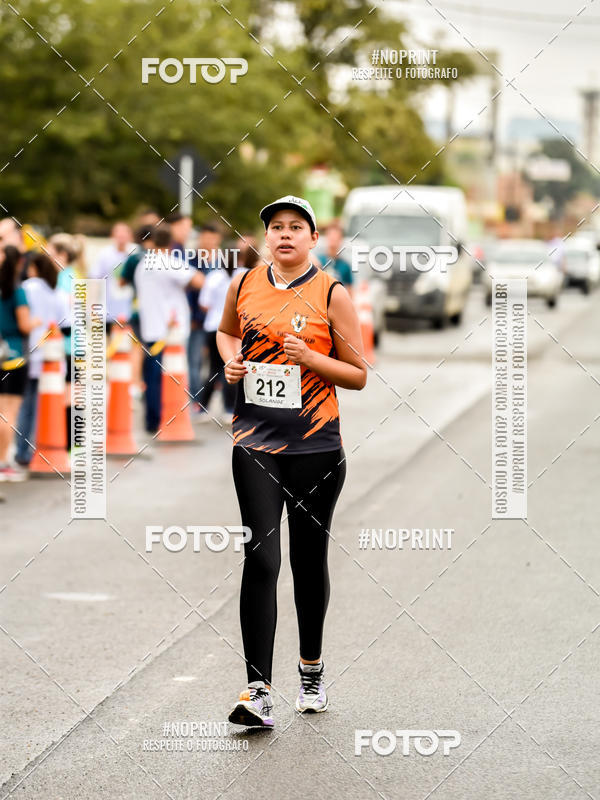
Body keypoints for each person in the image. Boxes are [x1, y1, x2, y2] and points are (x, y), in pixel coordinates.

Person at [216, 195, 367, 728]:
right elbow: (228, 330)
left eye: (295, 227)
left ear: (313, 237)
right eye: (275, 227)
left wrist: (312, 360)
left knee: (307, 560)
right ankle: (257, 690)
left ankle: (311, 669)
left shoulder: (332, 293)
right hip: (255, 442)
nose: (284, 235)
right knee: (260, 559)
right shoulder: (245, 284)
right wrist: (231, 360)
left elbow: (359, 372)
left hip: (317, 449)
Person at [134, 225, 205, 433]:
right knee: (166, 378)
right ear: (171, 243)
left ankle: (152, 421)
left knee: (151, 378)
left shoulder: (142, 264)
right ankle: (165, 419)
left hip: (150, 328)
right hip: (169, 332)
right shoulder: (168, 262)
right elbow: (199, 281)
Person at [14, 253, 68, 468]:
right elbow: (67, 325)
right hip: (53, 359)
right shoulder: (59, 293)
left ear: (34, 267)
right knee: (45, 407)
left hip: (31, 353)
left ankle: (22, 451)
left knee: (25, 406)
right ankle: (42, 449)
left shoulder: (28, 287)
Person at [0, 246, 40, 480]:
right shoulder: (17, 290)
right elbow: (25, 325)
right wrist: (37, 322)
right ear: (20, 263)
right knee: (9, 413)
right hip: (15, 356)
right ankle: (3, 461)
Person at [196, 249, 245, 424]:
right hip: (236, 330)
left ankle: (202, 408)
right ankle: (229, 409)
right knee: (232, 367)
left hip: (213, 327)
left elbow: (204, 304)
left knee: (213, 369)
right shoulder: (245, 276)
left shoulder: (213, 277)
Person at [47, 233, 80, 453]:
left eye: (51, 251)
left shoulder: (65, 279)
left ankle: (70, 442)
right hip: (70, 343)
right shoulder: (69, 276)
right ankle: (70, 440)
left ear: (63, 255)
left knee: (70, 393)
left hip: (69, 344)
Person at [186, 224, 221, 414]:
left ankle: (223, 403)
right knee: (195, 361)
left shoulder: (223, 261)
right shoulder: (192, 260)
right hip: (197, 320)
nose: (208, 242)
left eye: (211, 237)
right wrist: (191, 314)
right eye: (204, 237)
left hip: (218, 321)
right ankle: (196, 400)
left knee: (217, 364)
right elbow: (188, 288)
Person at [89, 222, 135, 333]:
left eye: (124, 236)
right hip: (109, 309)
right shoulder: (105, 254)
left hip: (130, 309)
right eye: (119, 236)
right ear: (112, 236)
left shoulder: (135, 253)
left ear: (130, 236)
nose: (121, 239)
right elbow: (95, 279)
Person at [318, 221, 354, 291]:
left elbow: (350, 291)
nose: (333, 239)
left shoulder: (345, 265)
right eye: (330, 235)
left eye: (336, 236)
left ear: (341, 239)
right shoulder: (317, 261)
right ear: (326, 237)